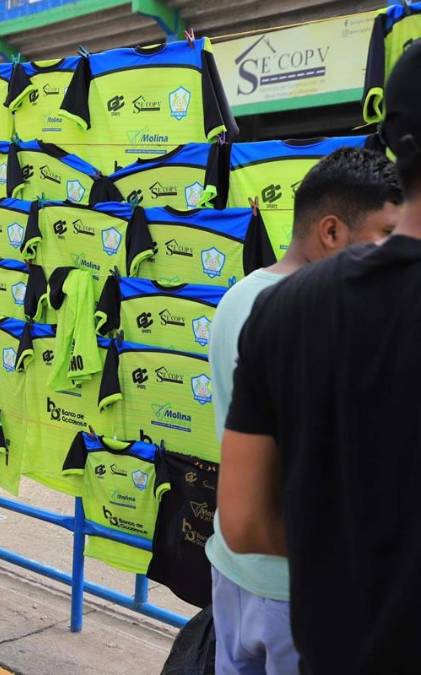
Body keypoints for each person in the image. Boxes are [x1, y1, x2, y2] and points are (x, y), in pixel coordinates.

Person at [217, 43, 421, 674]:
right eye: (377, 233)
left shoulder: (274, 306)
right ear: (330, 229)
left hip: (293, 598)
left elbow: (243, 517)